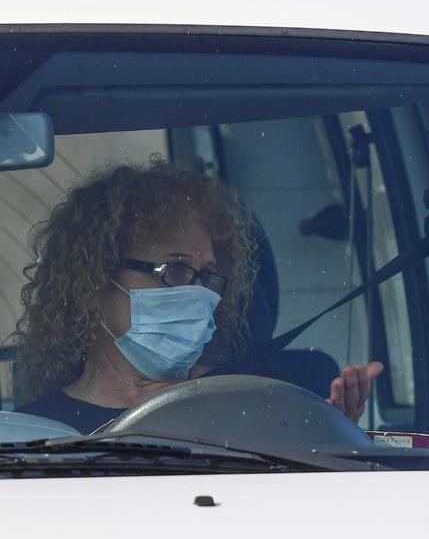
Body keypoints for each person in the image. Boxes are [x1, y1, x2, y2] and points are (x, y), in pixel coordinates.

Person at [11, 161, 383, 434]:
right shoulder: (34, 433)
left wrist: (332, 435)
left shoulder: (254, 404)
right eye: (174, 270)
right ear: (95, 279)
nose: (199, 294)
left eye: (207, 277)